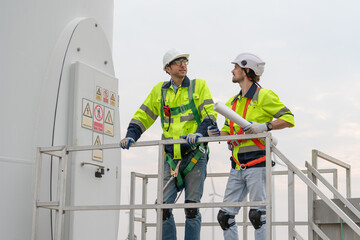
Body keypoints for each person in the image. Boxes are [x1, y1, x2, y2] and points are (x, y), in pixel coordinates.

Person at [120, 48, 217, 240]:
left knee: (191, 208)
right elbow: (144, 115)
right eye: (178, 62)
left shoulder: (198, 86)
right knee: (162, 207)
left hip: (195, 154)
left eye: (185, 61)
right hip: (171, 157)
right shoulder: (160, 91)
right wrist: (131, 135)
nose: (183, 65)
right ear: (167, 68)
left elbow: (210, 115)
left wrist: (198, 133)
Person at [208, 53, 295, 240]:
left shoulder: (263, 96)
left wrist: (265, 126)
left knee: (257, 216)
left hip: (258, 163)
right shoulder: (232, 102)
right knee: (225, 216)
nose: (232, 71)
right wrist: (216, 134)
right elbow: (227, 130)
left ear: (247, 70)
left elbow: (289, 118)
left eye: (236, 67)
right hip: (237, 165)